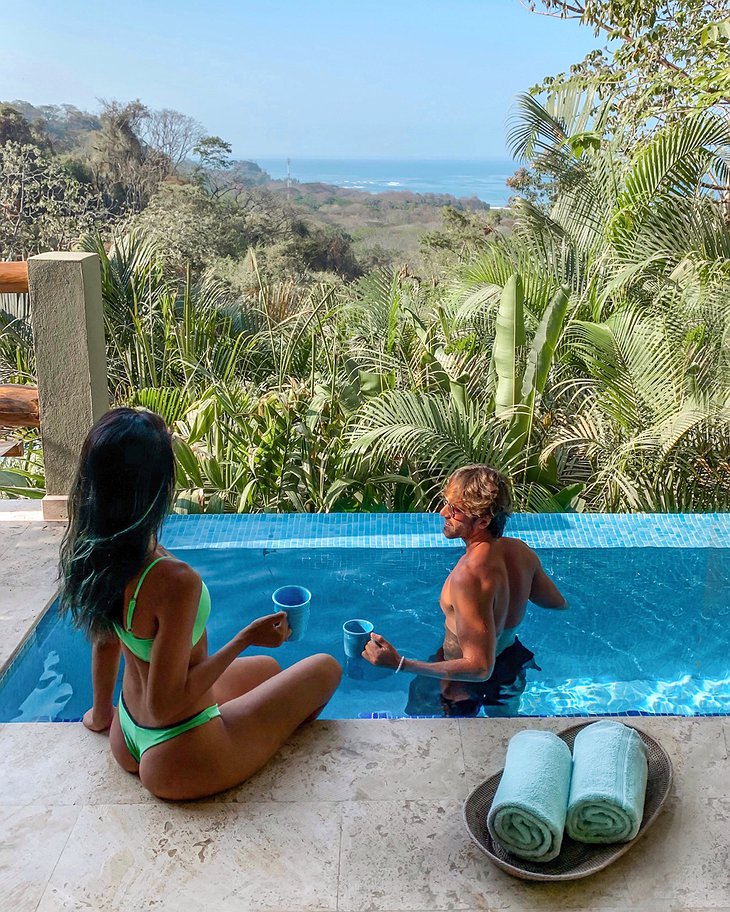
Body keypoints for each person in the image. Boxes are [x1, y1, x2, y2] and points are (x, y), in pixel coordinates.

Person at [59, 408, 341, 800]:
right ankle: (252, 736)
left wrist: (101, 715)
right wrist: (245, 638)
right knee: (326, 668)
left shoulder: (100, 552)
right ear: (155, 486)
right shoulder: (174, 580)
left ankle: (251, 721)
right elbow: (163, 705)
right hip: (179, 753)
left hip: (126, 734)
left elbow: (105, 638)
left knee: (270, 669)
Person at [362, 465, 567, 717]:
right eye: (447, 502)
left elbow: (480, 667)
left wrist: (399, 664)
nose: (443, 512)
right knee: (502, 735)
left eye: (455, 510)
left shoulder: (468, 578)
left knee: (428, 729)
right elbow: (557, 604)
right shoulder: (521, 552)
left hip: (460, 681)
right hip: (509, 668)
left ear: (482, 521)